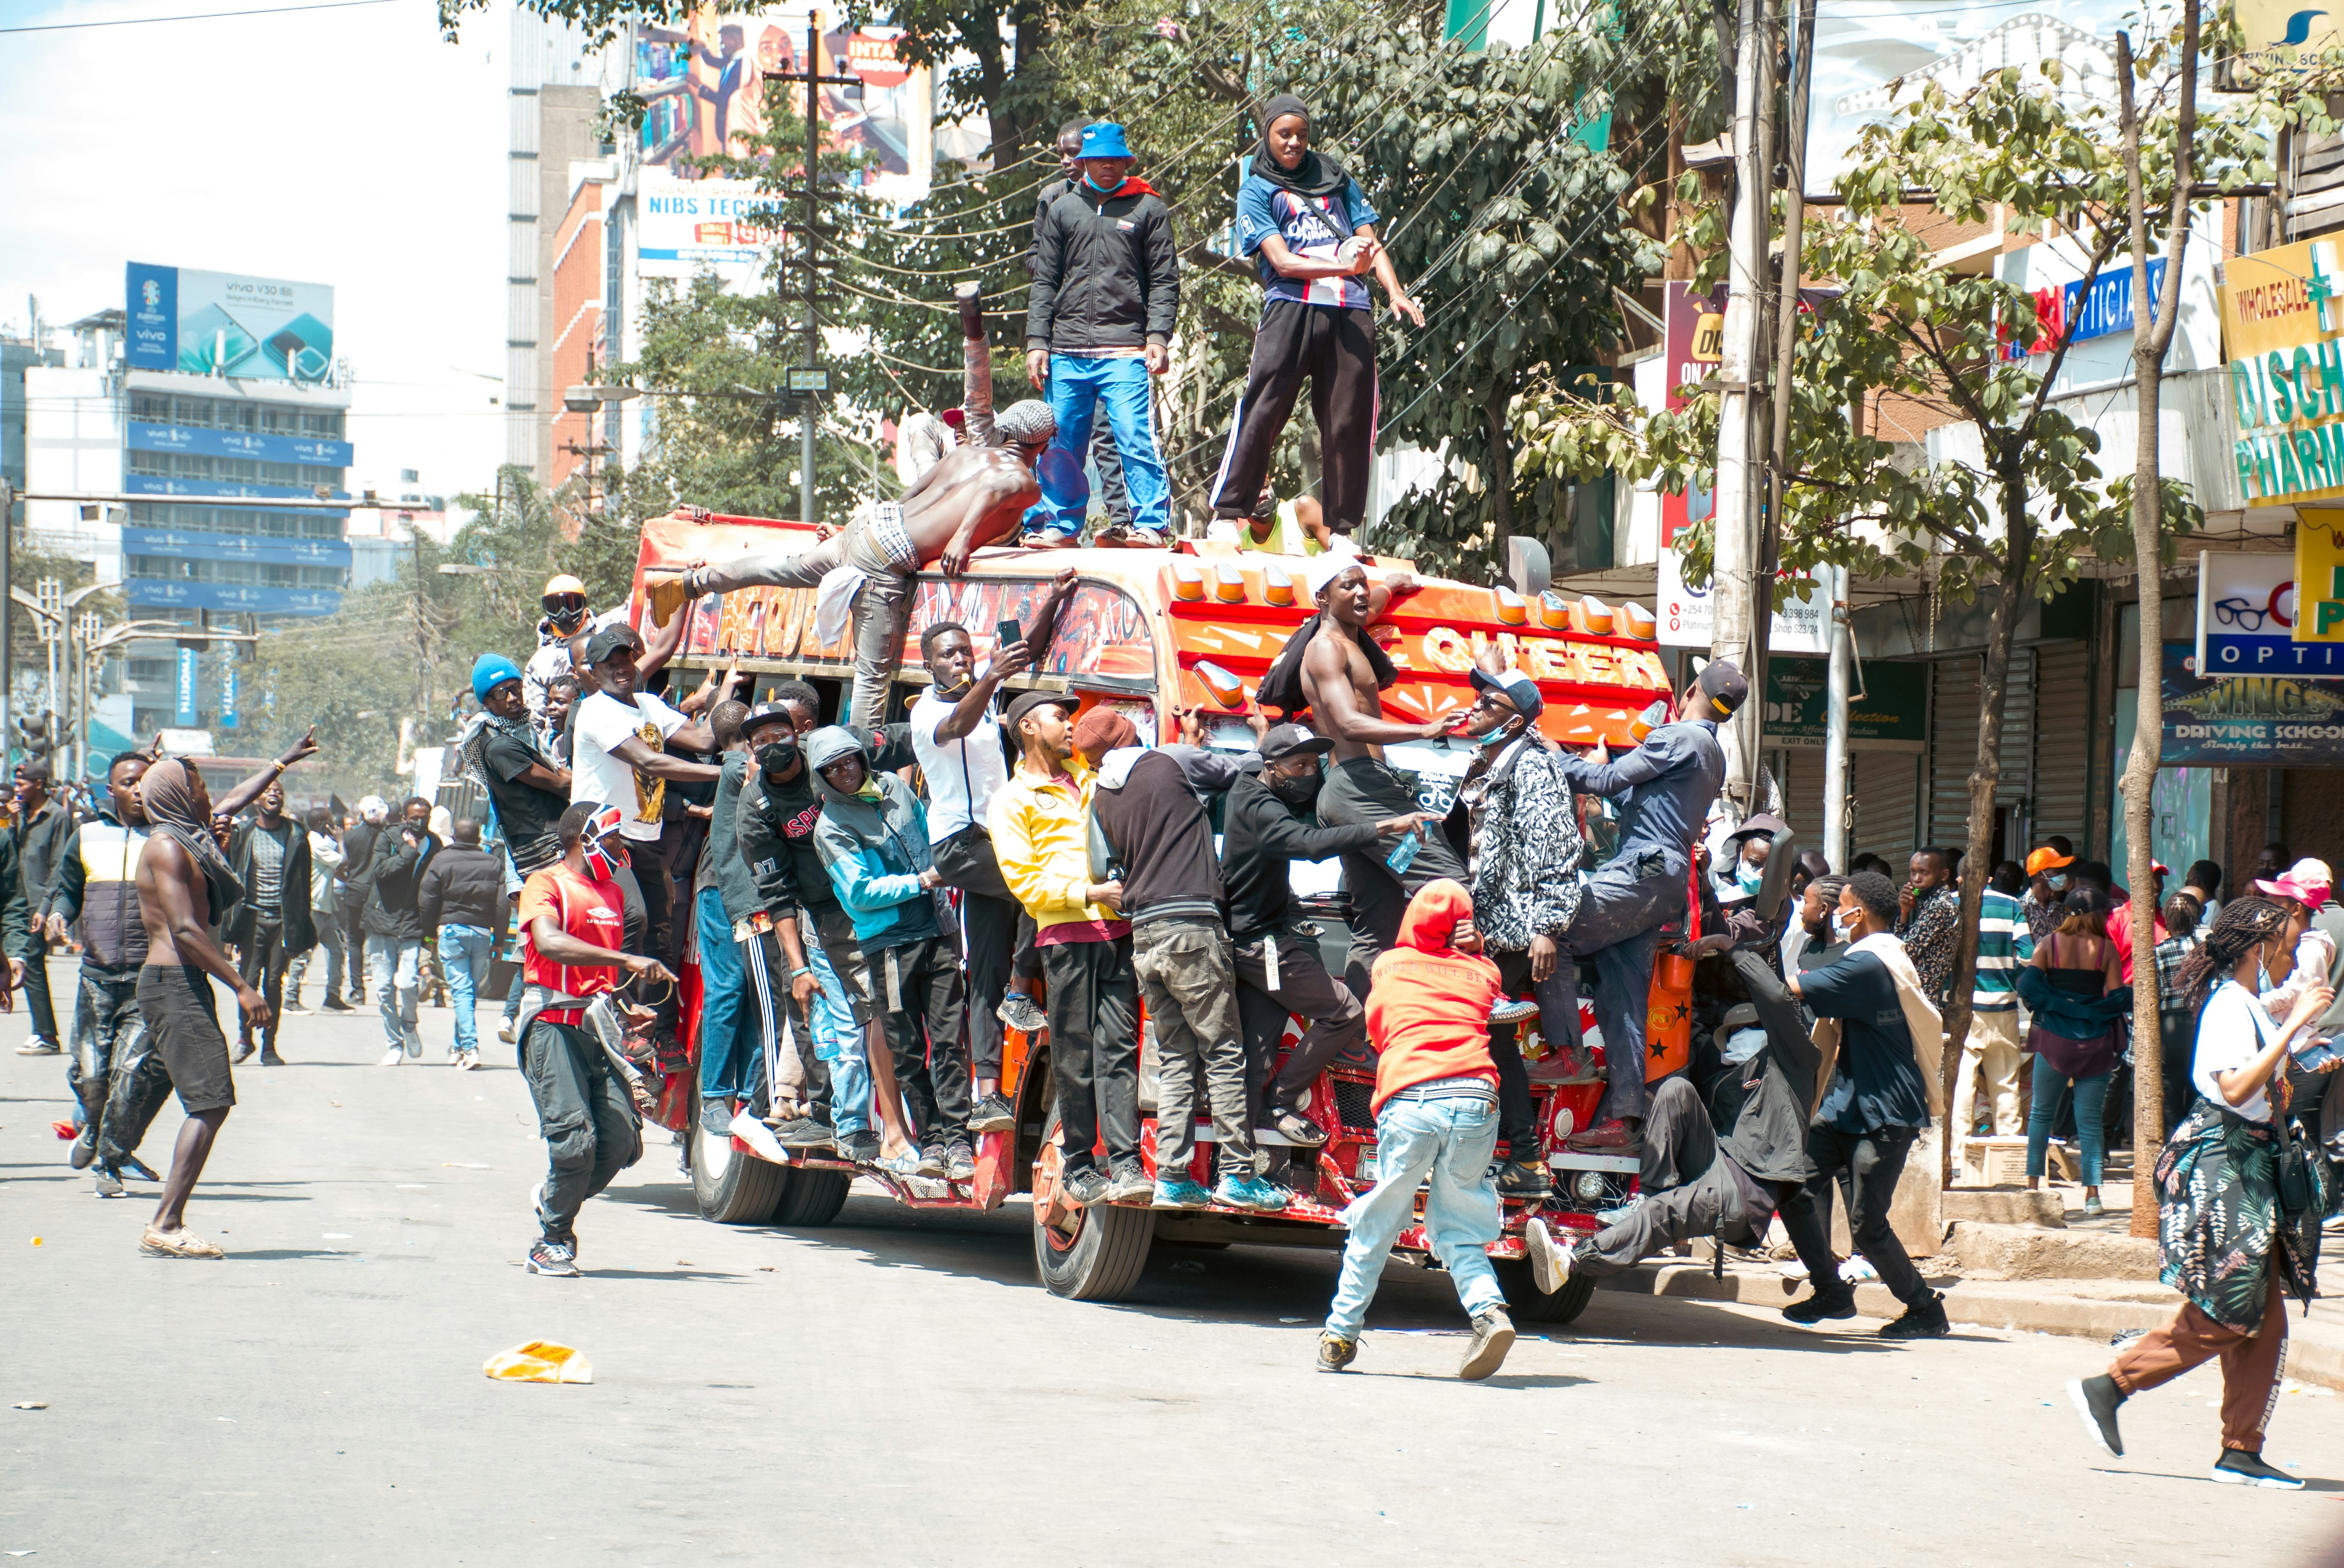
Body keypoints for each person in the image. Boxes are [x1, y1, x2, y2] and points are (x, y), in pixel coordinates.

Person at [2067, 898, 2336, 1488]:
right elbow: (2236, 1087)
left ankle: (2239, 1450)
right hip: (2224, 1169)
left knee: (2263, 1321)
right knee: (2229, 1311)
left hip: (2250, 1166)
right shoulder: (2226, 1007)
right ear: (2257, 946)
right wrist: (2292, 1026)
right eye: (2287, 942)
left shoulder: (2245, 1004)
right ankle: (2110, 1385)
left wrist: (2295, 1033)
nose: (2292, 953)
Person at [665, 403, 1060, 730]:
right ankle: (861, 760)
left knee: (785, 568)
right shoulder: (1024, 481)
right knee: (873, 675)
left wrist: (897, 521)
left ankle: (696, 582)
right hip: (887, 559)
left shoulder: (964, 453)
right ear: (1042, 444)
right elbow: (996, 489)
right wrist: (961, 536)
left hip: (873, 523)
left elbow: (913, 492)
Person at [1523, 921, 1822, 1301]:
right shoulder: (1723, 1073)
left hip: (1747, 1189)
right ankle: (1649, 1196)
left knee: (1663, 1214)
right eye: (1731, 1033)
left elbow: (1778, 1002)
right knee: (1676, 1089)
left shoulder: (1794, 1063)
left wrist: (1731, 946)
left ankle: (1571, 1262)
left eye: (1744, 1031)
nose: (1735, 1041)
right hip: (1715, 1161)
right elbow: (1686, 1027)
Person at [1318, 879, 1517, 1380]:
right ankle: (1488, 1310)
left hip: (1410, 1098)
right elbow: (1494, 1001)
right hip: (1476, 1098)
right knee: (1457, 1223)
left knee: (1381, 1219)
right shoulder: (1483, 970)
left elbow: (1379, 1027)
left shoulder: (1388, 964)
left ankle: (1340, 1334)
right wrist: (1474, 949)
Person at [1085, 708, 1284, 1210]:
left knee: (1177, 1057)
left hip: (1145, 933)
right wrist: (1261, 739)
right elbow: (1245, 771)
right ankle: (1238, 1173)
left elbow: (1098, 867)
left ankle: (1172, 1176)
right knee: (1222, 1051)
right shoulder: (1169, 760)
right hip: (1192, 928)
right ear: (1133, 734)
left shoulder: (1100, 797)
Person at [1550, 659, 1746, 1151]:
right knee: (1622, 996)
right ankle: (1626, 1119)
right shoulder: (1711, 752)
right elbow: (1635, 794)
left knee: (1552, 928)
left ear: (1693, 689)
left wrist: (1552, 756)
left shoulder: (1676, 737)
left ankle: (1569, 1053)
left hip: (1644, 866)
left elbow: (1607, 783)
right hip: (1664, 878)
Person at [132, 740, 316, 1259]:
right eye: (197, 785)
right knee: (210, 1102)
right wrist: (241, 984)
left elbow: (236, 798)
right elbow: (186, 931)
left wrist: (283, 761)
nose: (208, 793)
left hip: (180, 984)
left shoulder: (189, 836)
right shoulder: (168, 847)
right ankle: (165, 1223)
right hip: (173, 983)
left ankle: (156, 1206)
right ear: (176, 794)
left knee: (207, 1100)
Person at [1211, 94, 1424, 539]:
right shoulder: (1257, 189)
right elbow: (1284, 263)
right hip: (1291, 307)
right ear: (1267, 136)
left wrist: (1396, 292)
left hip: (1350, 310)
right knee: (1264, 408)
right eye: (1284, 135)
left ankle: (1342, 533)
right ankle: (1229, 515)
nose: (1293, 143)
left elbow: (1372, 243)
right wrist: (1346, 266)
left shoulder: (1336, 179)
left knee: (1348, 420)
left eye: (1301, 135)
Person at [907, 576, 1076, 1132]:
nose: (959, 661)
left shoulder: (989, 688)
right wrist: (993, 676)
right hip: (958, 845)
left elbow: (1026, 649)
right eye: (947, 655)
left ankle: (986, 1094)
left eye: (965, 652)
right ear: (930, 665)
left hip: (999, 841)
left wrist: (1052, 598)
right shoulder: (928, 710)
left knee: (981, 971)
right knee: (1039, 893)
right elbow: (957, 727)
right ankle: (1020, 989)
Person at [1774, 870, 1952, 1338]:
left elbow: (1790, 989)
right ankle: (1831, 1290)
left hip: (1886, 1110)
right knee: (1795, 1186)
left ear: (1861, 914)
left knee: (1867, 1227)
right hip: (1847, 1102)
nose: (1835, 913)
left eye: (1842, 905)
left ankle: (1925, 1309)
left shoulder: (1870, 964)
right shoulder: (1872, 958)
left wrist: (1736, 956)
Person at [988, 689, 1146, 1205]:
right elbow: (1024, 885)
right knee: (1075, 1057)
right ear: (1029, 729)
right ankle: (1079, 1165)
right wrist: (1090, 894)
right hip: (1066, 938)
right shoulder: (1012, 801)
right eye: (1060, 718)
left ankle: (1124, 1166)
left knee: (1119, 1051)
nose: (1070, 727)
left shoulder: (1089, 779)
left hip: (1116, 934)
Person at [1220, 722, 1411, 1147]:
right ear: (1272, 768)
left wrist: (1261, 731)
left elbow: (1260, 763)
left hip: (1251, 943)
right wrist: (1383, 828)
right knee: (1345, 1011)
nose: (1309, 773)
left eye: (1314, 763)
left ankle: (1241, 1159)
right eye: (1299, 765)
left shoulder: (1247, 787)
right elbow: (1308, 844)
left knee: (1259, 1054)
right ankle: (1282, 1101)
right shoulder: (1262, 807)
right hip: (1263, 946)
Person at [510, 802, 673, 1278]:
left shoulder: (613, 895)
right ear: (586, 838)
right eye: (617, 838)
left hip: (598, 1026)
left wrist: (630, 1006)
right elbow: (549, 942)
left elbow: (603, 977)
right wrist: (625, 962)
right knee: (574, 1142)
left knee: (621, 1141)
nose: (623, 849)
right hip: (550, 1023)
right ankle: (552, 1241)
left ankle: (552, 1198)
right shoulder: (546, 883)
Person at [808, 725, 974, 1180]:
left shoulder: (896, 788)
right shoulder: (830, 828)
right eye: (833, 768)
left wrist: (942, 878)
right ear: (821, 776)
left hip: (937, 930)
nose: (844, 772)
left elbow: (928, 836)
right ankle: (933, 1139)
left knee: (948, 1040)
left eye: (850, 761)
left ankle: (958, 1141)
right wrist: (921, 882)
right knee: (907, 1048)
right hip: (889, 946)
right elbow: (859, 892)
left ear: (863, 758)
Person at [1289, 557, 1460, 994]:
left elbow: (1372, 601)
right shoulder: (1326, 647)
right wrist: (1424, 728)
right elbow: (1347, 723)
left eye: (1365, 585)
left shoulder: (1349, 633)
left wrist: (1393, 584)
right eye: (1351, 587)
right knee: (1449, 883)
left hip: (1351, 796)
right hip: (1359, 788)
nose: (1363, 593)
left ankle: (1360, 1033)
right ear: (1322, 598)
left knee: (1377, 924)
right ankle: (1475, 992)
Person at [1455, 659, 1584, 1196]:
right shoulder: (1491, 762)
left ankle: (1522, 1158)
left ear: (1513, 721)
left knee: (1484, 1035)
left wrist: (1547, 928)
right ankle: (1520, 1157)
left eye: (1489, 703)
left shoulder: (1533, 766)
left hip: (1512, 931)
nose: (1475, 707)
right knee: (1492, 1039)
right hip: (1486, 925)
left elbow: (1554, 847)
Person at [1024, 120, 1179, 548]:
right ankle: (1061, 526)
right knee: (1061, 445)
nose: (1107, 167)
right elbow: (1045, 282)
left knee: (1134, 437)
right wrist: (1037, 343)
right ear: (1084, 163)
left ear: (1126, 162)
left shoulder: (1148, 209)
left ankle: (1150, 525)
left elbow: (1166, 281)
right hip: (1067, 351)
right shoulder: (1062, 209)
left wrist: (1159, 337)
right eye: (1098, 160)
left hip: (1126, 349)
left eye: (1115, 160)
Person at [568, 624, 721, 1042]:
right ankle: (617, 1015)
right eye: (610, 665)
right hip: (601, 836)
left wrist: (724, 693)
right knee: (631, 916)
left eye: (626, 661)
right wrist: (726, 774)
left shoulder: (650, 705)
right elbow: (651, 763)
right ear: (594, 673)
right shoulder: (596, 711)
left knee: (660, 931)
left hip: (646, 838)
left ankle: (659, 1032)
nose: (621, 669)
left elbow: (705, 739)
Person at [695, 699, 822, 1141]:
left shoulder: (743, 767)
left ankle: (754, 1095)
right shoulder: (738, 769)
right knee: (759, 1003)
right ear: (746, 742)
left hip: (764, 903)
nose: (771, 749)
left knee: (763, 1002)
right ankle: (739, 1099)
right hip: (753, 905)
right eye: (761, 740)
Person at [43, 750, 167, 1196]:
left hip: (146, 979)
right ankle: (94, 1130)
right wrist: (59, 915)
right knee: (91, 1077)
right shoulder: (87, 836)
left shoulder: (168, 838)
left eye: (144, 781)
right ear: (110, 789)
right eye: (128, 782)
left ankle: (111, 1164)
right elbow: (68, 890)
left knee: (131, 1073)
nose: (137, 789)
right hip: (96, 979)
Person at [1024, 121, 1131, 533]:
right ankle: (1047, 522)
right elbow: (1038, 264)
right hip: (1065, 335)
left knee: (1114, 434)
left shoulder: (1125, 200)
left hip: (1113, 338)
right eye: (1064, 155)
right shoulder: (1054, 199)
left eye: (1075, 153)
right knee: (1059, 436)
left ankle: (1122, 521)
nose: (1069, 161)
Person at [2017, 885, 2129, 1217]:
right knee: (2090, 1122)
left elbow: (2028, 985)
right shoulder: (2106, 950)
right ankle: (2093, 1197)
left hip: (2053, 1042)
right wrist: (2089, 1008)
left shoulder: (2049, 945)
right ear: (2095, 916)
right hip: (2095, 1044)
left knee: (2041, 1114)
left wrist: (2057, 1004)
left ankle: (2032, 1185)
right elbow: (2118, 996)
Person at [223, 778, 312, 1066]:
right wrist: (229, 928)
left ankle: (269, 1047)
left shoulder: (297, 834)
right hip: (251, 918)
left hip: (283, 920)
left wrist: (300, 930)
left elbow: (303, 887)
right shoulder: (244, 833)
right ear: (258, 801)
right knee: (248, 982)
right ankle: (245, 1040)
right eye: (268, 792)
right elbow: (231, 875)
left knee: (274, 984)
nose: (274, 795)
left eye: (279, 792)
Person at [468, 653, 573, 880]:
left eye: (515, 688)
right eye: (500, 693)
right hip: (543, 847)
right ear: (486, 702)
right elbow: (562, 785)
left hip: (552, 837)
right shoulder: (499, 746)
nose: (512, 698)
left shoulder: (519, 731)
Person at [1952, 865, 2035, 1147]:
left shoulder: (1951, 904)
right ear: (1988, 878)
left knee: (1963, 1082)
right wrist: (2007, 979)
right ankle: (2008, 1147)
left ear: (1959, 878)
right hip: (2003, 1007)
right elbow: (2027, 955)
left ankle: (1959, 1149)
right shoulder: (2011, 904)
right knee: (2006, 1081)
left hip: (1963, 1011)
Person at [418, 816, 502, 1070]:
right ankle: (457, 1047)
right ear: (479, 839)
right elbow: (502, 904)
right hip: (482, 934)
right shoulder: (494, 863)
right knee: (468, 993)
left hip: (452, 931)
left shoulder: (441, 860)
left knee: (462, 992)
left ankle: (470, 1047)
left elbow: (427, 900)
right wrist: (497, 939)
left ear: (454, 837)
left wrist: (429, 935)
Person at [362, 796, 440, 1066]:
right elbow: (381, 871)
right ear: (405, 817)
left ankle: (409, 1022)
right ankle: (394, 1044)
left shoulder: (435, 844)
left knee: (408, 983)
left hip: (413, 924)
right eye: (415, 817)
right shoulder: (389, 837)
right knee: (384, 990)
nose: (420, 822)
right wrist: (409, 850)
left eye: (425, 817)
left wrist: (432, 930)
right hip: (382, 921)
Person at [10, 759, 71, 1056]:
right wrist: (8, 823)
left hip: (36, 904)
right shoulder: (17, 816)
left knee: (32, 964)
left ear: (38, 784)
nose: (17, 790)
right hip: (12, 901)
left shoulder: (57, 817)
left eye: (22, 784)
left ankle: (46, 1034)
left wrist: (46, 908)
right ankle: (43, 1031)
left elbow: (60, 865)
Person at [283, 807, 350, 1013]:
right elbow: (344, 862)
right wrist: (341, 840)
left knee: (337, 951)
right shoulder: (316, 843)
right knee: (304, 953)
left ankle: (332, 998)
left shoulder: (317, 842)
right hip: (315, 907)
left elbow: (336, 872)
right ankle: (291, 1000)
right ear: (323, 824)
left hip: (326, 907)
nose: (334, 826)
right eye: (331, 822)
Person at [523, 573, 594, 722]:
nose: (564, 614)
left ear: (584, 603)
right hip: (561, 739)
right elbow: (536, 717)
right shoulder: (540, 661)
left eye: (571, 605)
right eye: (556, 607)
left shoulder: (604, 638)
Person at [1895, 847, 1960, 1003]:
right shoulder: (1930, 904)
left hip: (1921, 1002)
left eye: (1925, 873)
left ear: (1944, 875)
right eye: (1913, 872)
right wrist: (1905, 912)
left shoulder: (1939, 908)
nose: (1916, 879)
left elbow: (1902, 954)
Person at [1207, 490, 1336, 556]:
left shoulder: (1302, 510)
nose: (1263, 495)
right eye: (1254, 493)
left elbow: (1345, 561)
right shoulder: (1241, 543)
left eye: (1265, 487)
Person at [2182, 858, 2224, 926]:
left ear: (2196, 883)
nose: (2186, 883)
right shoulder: (2208, 908)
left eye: (2188, 879)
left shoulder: (2211, 914)